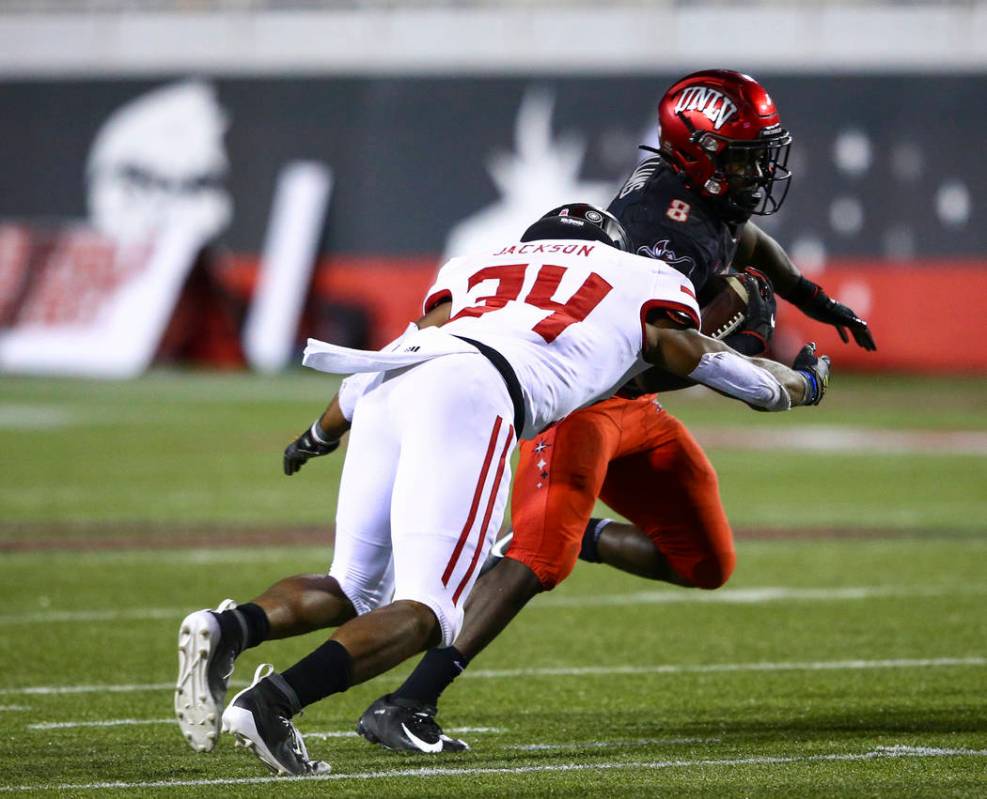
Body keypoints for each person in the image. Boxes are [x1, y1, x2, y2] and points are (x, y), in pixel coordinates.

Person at [173, 201, 830, 775]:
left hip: (389, 381)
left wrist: (318, 433)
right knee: (429, 610)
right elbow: (697, 357)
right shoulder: (638, 274)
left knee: (352, 588)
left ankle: (228, 625)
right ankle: (273, 703)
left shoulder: (477, 263)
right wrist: (793, 387)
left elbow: (410, 343)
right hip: (474, 390)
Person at [351, 69, 874, 754]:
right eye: (743, 155)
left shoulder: (699, 200)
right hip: (580, 398)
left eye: (758, 153)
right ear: (699, 152)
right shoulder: (662, 232)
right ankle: (406, 702)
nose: (759, 170)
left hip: (634, 407)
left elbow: (744, 242)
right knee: (540, 557)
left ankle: (582, 537)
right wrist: (756, 353)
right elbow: (654, 359)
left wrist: (812, 298)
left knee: (703, 560)